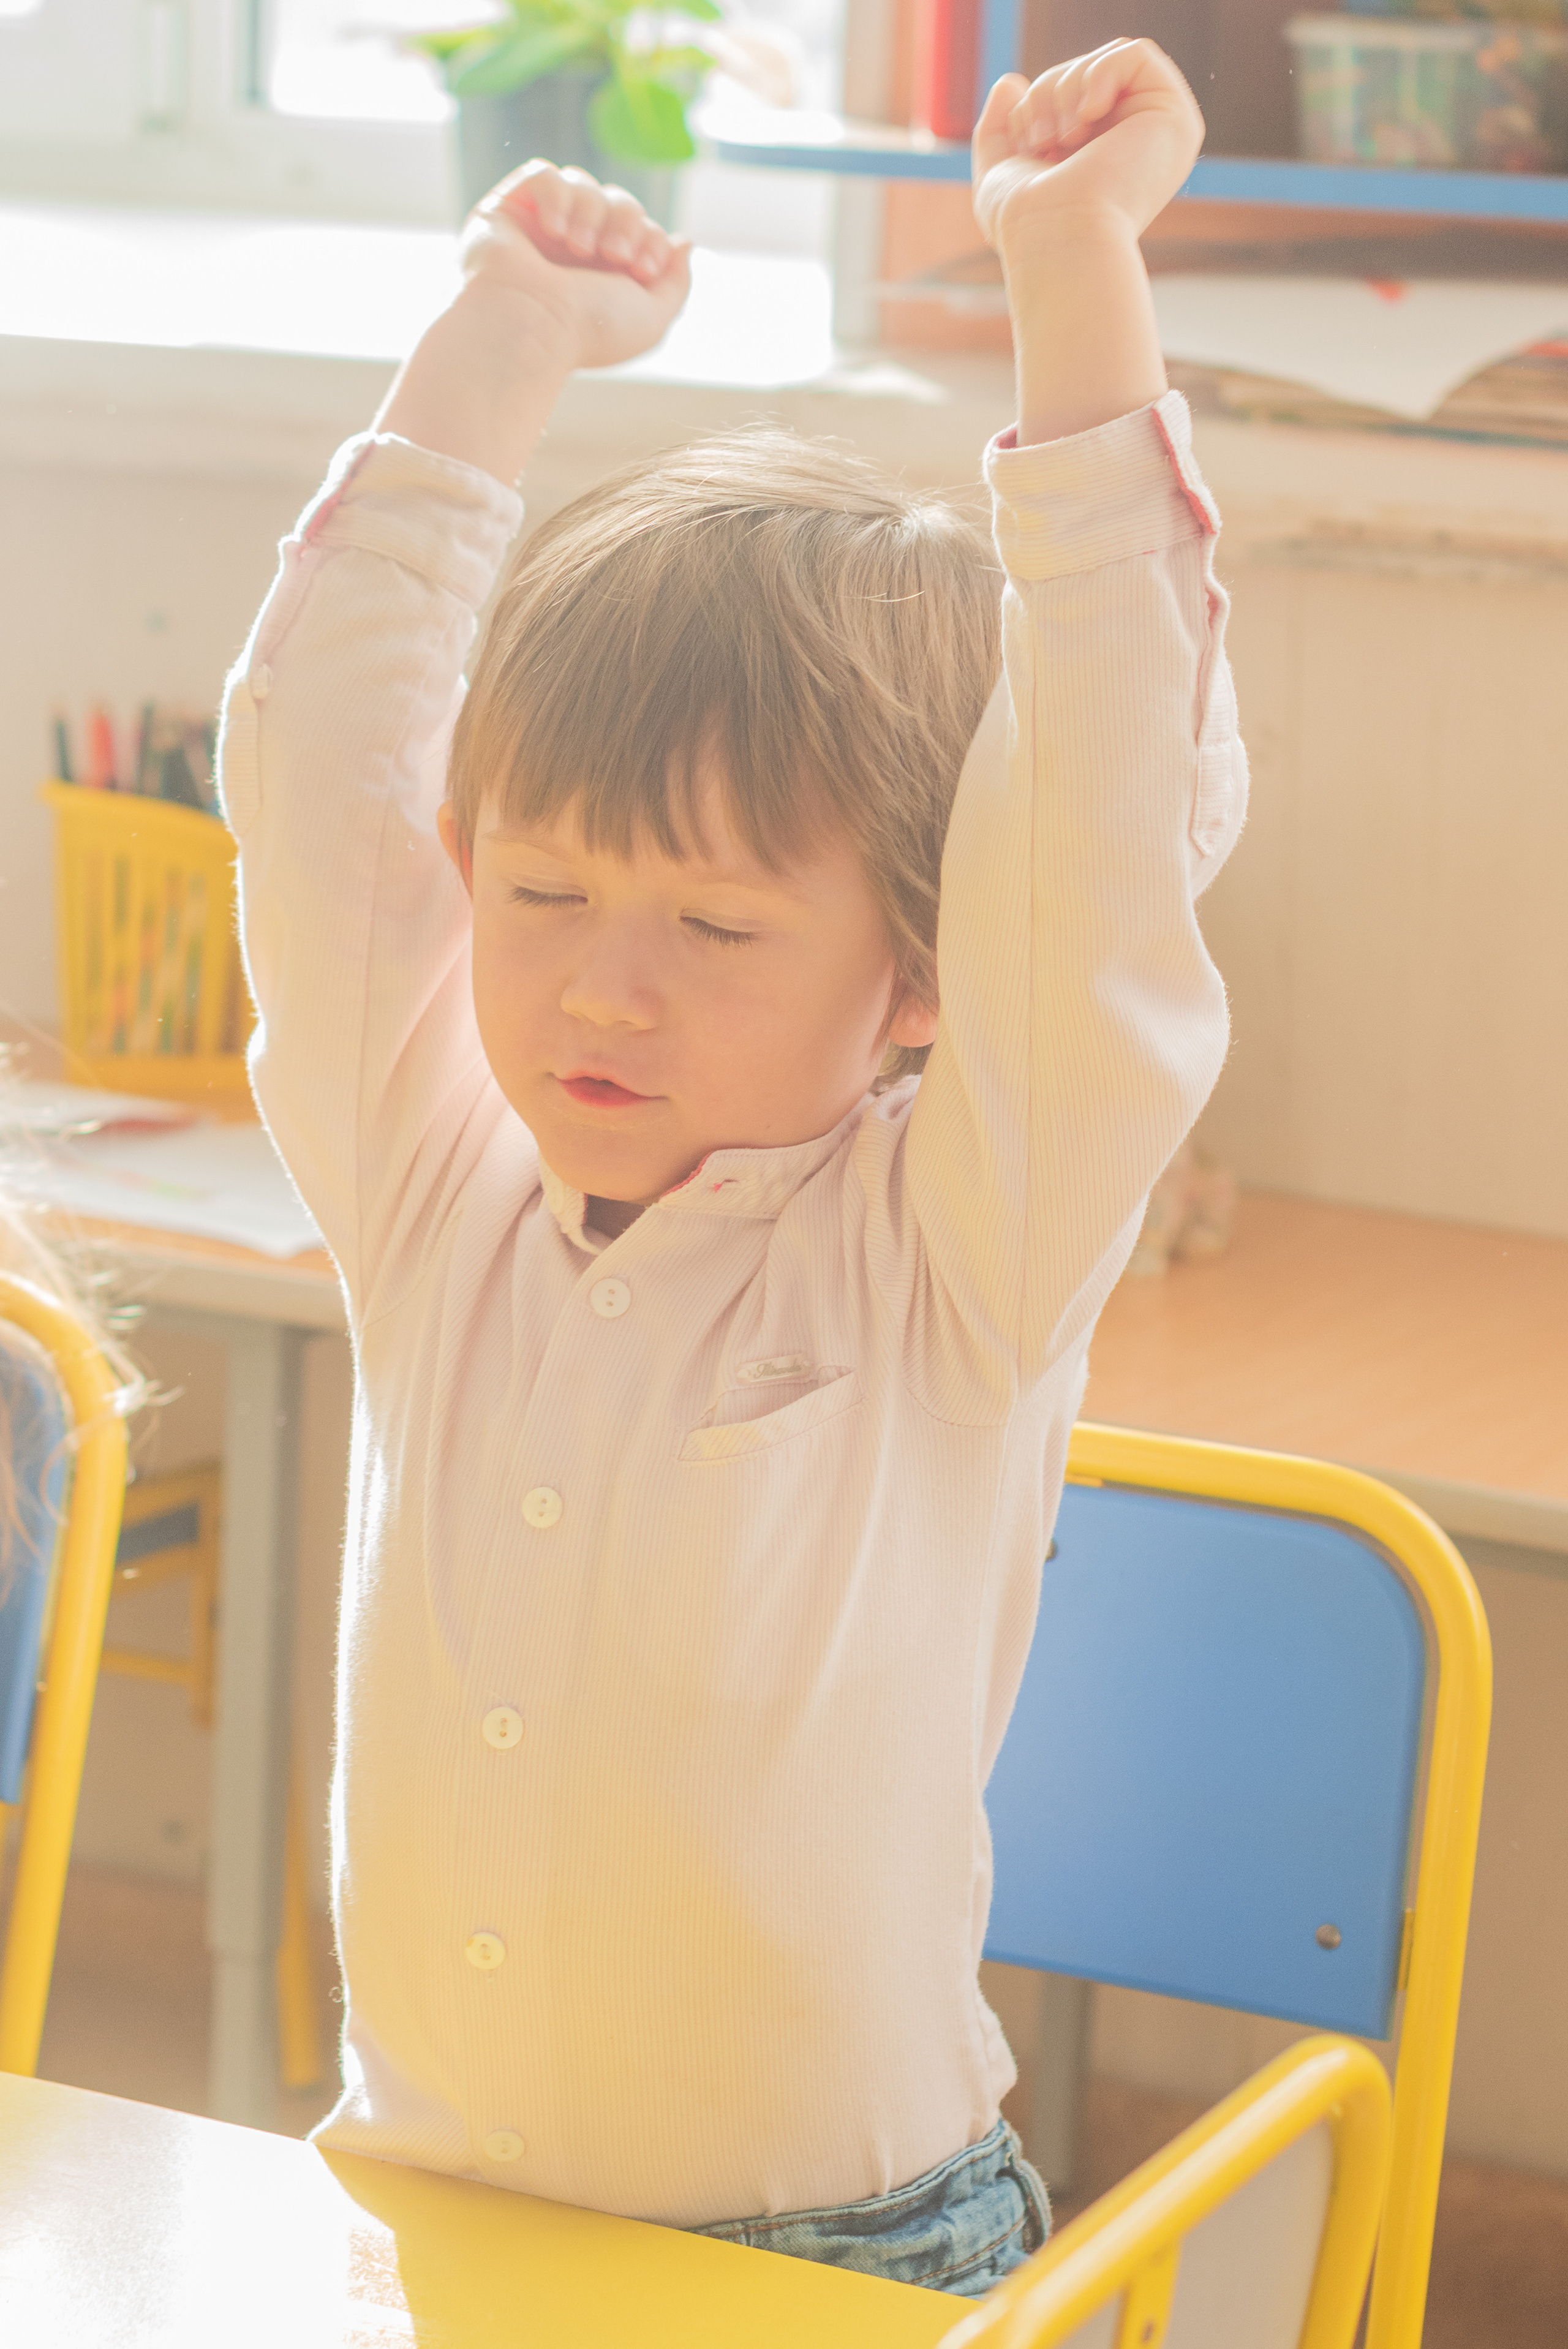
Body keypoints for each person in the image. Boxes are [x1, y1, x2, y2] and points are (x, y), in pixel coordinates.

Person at [220, 39, 1246, 2298]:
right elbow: (322, 794)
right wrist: (494, 356)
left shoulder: (952, 1250)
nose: (600, 992)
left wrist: (1073, 274)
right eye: (548, 893)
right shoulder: (439, 1193)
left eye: (711, 926)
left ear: (918, 969)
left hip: (844, 2254)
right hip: (446, 2226)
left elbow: (1096, 829)